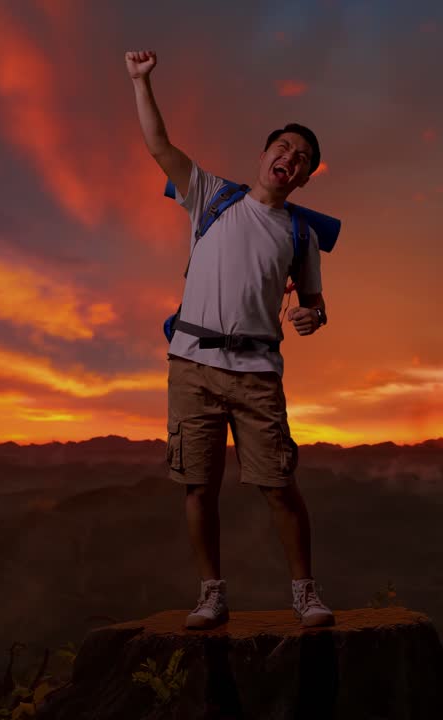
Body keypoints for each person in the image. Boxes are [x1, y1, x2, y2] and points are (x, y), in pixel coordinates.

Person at [126, 49, 335, 630]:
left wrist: (312, 318)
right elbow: (158, 146)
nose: (289, 161)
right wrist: (141, 82)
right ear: (266, 152)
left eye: (302, 160)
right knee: (198, 485)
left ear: (306, 176)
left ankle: (305, 593)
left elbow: (314, 304)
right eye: (284, 149)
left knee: (278, 485)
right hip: (191, 365)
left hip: (258, 372)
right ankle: (211, 594)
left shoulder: (301, 233)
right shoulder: (212, 197)